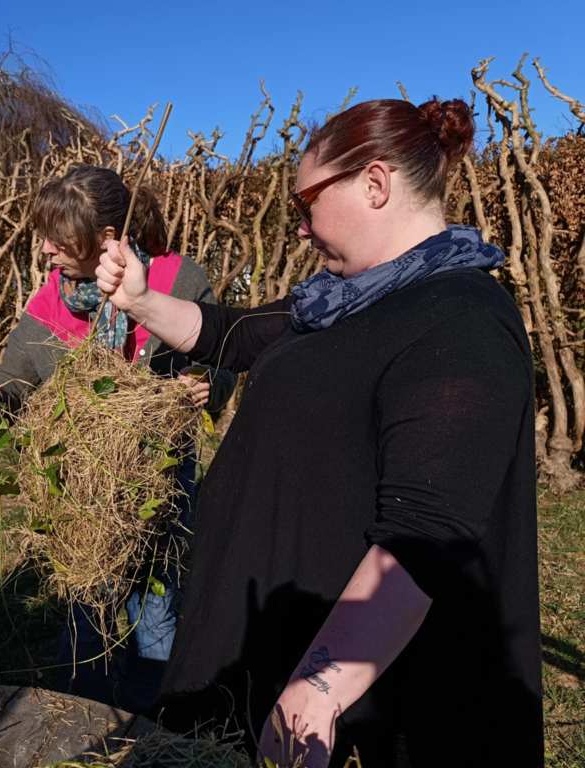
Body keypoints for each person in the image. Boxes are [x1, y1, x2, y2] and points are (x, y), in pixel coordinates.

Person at [95, 98, 542, 767]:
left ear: (375, 183)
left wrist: (322, 687)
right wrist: (139, 298)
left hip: (360, 702)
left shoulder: (462, 322)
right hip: (267, 647)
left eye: (305, 204)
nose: (300, 230)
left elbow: (427, 535)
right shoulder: (338, 302)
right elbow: (227, 336)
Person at [0, 165, 236, 712]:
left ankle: (157, 724)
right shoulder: (50, 301)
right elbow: (16, 374)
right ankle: (83, 721)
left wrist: (206, 385)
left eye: (58, 242)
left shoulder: (176, 281)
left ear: (106, 240)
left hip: (160, 484)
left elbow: (220, 356)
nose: (44, 251)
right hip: (82, 493)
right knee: (89, 607)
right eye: (44, 238)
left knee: (158, 607)